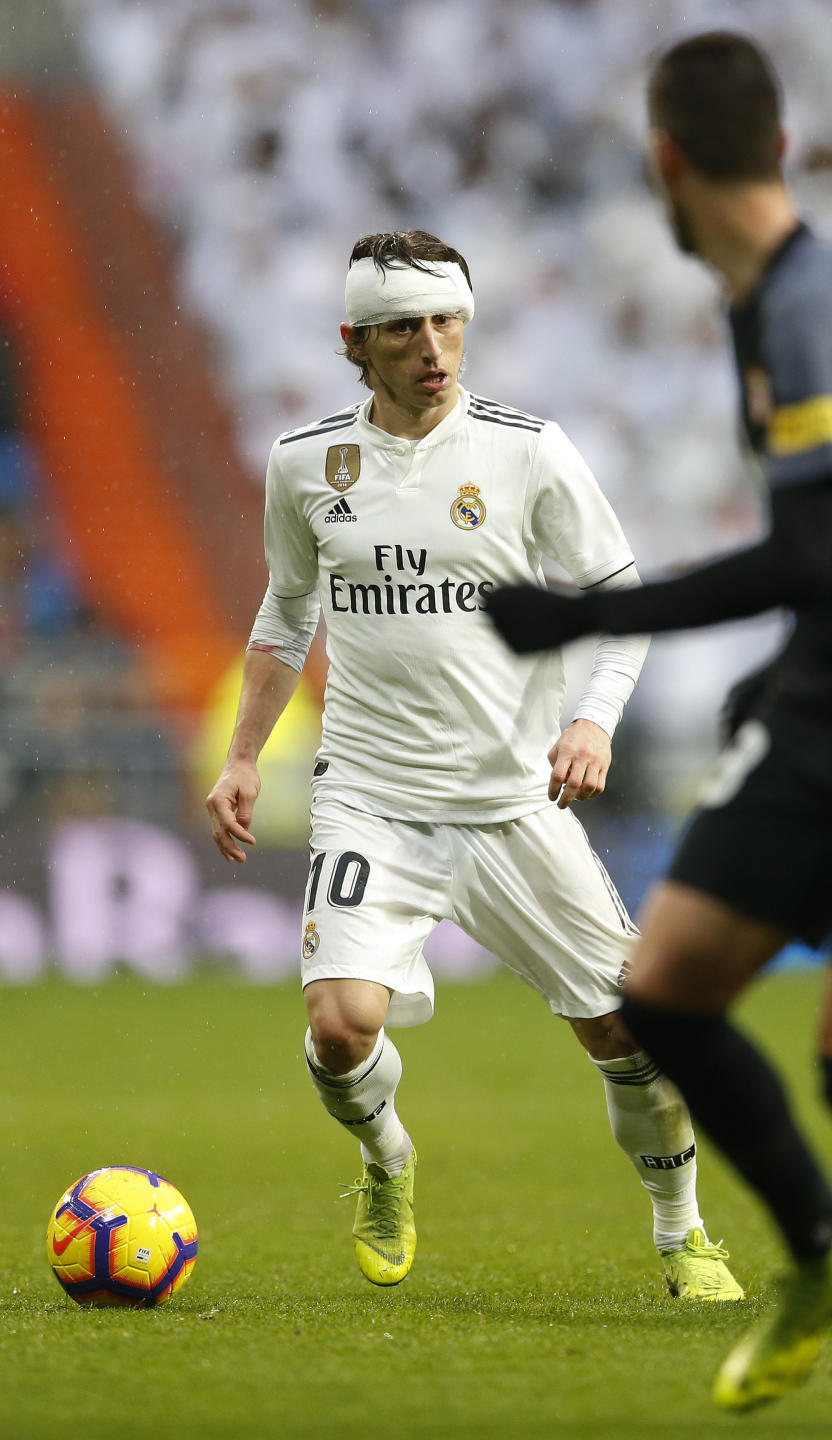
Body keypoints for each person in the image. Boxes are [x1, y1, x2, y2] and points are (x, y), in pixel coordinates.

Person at [487, 31, 832, 1436]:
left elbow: (811, 551)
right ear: (785, 147)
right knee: (670, 990)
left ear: (667, 163)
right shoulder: (776, 303)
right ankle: (827, 1254)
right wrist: (783, 682)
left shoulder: (816, 301)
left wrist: (573, 617)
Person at [205, 229, 743, 1302]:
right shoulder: (306, 462)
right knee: (336, 1025)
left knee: (631, 1033)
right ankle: (388, 1160)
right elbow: (285, 613)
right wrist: (242, 758)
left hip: (511, 802)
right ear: (354, 341)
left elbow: (617, 600)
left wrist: (592, 722)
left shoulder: (528, 449)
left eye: (448, 321)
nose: (435, 347)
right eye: (405, 327)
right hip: (372, 796)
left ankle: (682, 1231)